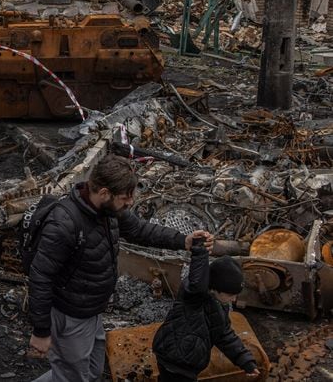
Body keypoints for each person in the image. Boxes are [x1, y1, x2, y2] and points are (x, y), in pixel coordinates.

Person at [27, 154, 213, 382]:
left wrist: (183, 241)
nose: (131, 202)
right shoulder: (63, 223)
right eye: (126, 197)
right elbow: (40, 277)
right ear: (104, 193)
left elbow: (141, 230)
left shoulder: (108, 212)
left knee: (92, 371)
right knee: (72, 376)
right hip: (70, 315)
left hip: (91, 311)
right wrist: (41, 331)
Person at [153, 249, 260, 381]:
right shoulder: (194, 297)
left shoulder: (220, 304)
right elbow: (197, 280)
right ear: (214, 288)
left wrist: (244, 360)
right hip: (175, 361)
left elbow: (224, 334)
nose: (234, 299)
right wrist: (200, 251)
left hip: (189, 363)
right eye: (230, 295)